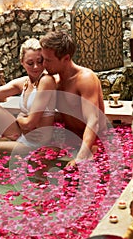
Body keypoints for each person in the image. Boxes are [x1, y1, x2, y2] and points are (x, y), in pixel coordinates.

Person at [40, 30, 106, 166]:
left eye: (48, 60)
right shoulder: (54, 82)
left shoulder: (85, 79)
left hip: (95, 141)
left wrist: (82, 156)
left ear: (66, 58)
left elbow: (93, 120)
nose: (44, 65)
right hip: (71, 140)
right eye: (43, 59)